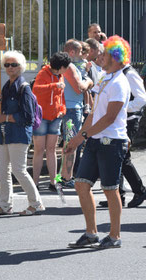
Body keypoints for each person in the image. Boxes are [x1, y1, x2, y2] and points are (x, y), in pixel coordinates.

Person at [65, 35, 132, 249]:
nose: (99, 57)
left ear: (115, 57)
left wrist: (82, 136)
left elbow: (109, 118)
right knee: (81, 184)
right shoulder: (105, 78)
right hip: (95, 140)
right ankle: (91, 233)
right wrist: (78, 138)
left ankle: (114, 236)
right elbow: (94, 113)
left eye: (104, 54)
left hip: (112, 142)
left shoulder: (120, 82)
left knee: (110, 189)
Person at [0, 51, 44, 216]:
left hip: (18, 134)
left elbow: (28, 116)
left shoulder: (24, 88)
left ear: (21, 67)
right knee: (2, 170)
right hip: (5, 133)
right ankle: (5, 205)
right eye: (7, 64)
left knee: (19, 170)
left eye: (14, 64)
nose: (10, 67)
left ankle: (36, 203)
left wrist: (6, 117)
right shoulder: (6, 87)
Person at [99, 60, 146, 209]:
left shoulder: (130, 74)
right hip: (120, 120)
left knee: (122, 158)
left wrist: (122, 108)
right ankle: (119, 195)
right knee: (118, 158)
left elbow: (142, 99)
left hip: (129, 120)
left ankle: (139, 191)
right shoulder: (117, 74)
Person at [32, 52, 70, 190]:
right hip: (41, 117)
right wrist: (54, 86)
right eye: (66, 67)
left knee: (52, 149)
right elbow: (36, 90)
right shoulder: (44, 73)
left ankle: (54, 182)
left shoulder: (60, 76)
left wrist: (63, 109)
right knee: (39, 150)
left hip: (55, 117)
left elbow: (61, 97)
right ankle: (34, 183)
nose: (67, 70)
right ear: (60, 67)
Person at [61, 39, 94, 187]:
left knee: (70, 142)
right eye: (80, 51)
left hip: (73, 107)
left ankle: (64, 176)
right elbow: (79, 88)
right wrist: (87, 80)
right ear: (72, 52)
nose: (83, 55)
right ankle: (66, 178)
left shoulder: (71, 66)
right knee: (71, 143)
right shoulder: (70, 66)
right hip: (71, 109)